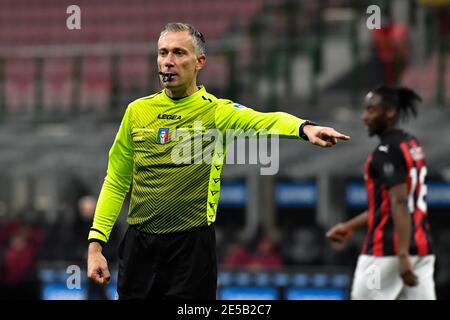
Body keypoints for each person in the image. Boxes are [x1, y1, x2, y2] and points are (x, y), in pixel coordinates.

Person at [87, 22, 350, 300]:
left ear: (199, 61)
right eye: (163, 53)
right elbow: (116, 180)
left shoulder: (216, 113)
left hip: (191, 248)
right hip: (139, 246)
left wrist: (305, 129)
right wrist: (96, 246)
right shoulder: (137, 112)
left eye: (178, 53)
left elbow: (265, 120)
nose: (168, 62)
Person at [326, 84, 435, 300]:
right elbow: (390, 205)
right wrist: (349, 226)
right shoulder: (412, 145)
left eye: (371, 110)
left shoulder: (385, 153)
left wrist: (401, 253)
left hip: (387, 251)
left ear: (390, 112)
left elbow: (400, 202)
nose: (365, 117)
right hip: (421, 249)